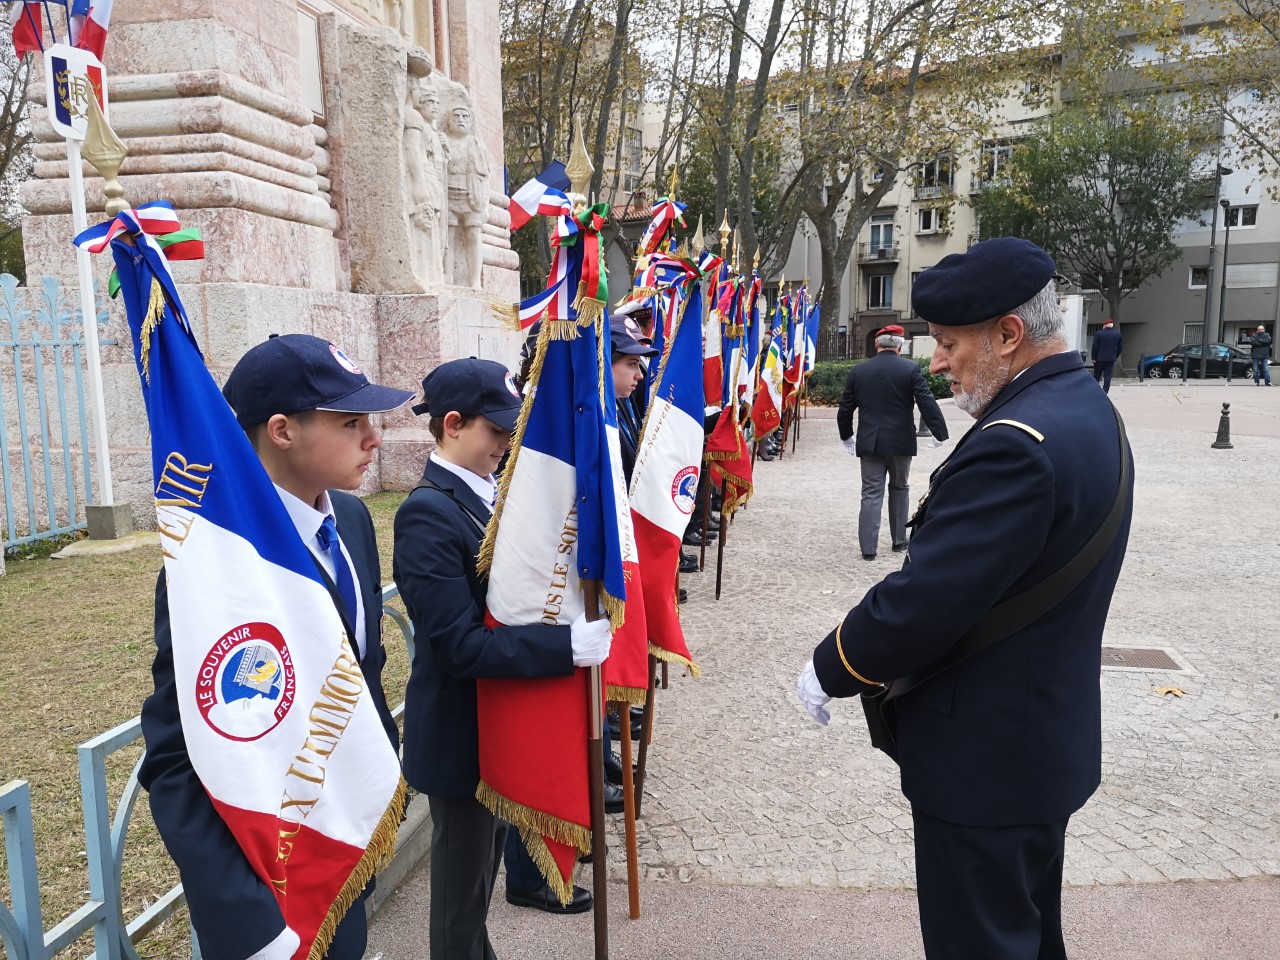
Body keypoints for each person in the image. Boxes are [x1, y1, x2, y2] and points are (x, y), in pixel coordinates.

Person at [796, 238, 1133, 960]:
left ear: (1008, 335)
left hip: (988, 761)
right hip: (1039, 742)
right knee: (1028, 938)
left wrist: (831, 664)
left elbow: (928, 599)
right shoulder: (1083, 407)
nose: (938, 361)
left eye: (949, 342)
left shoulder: (1016, 442)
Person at [139, 333, 415, 960]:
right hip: (268, 886)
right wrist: (246, 922)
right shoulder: (216, 569)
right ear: (282, 430)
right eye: (351, 422)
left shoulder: (350, 521)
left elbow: (360, 675)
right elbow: (177, 756)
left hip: (343, 844)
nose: (373, 437)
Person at [393, 357, 611, 956]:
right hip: (462, 736)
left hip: (496, 728)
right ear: (453, 425)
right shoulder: (427, 513)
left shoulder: (489, 495)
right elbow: (460, 645)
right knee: (460, 906)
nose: (506, 444)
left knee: (481, 884)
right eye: (496, 431)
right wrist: (564, 646)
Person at [836, 324, 948, 561]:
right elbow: (925, 401)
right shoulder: (910, 368)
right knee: (900, 488)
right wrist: (939, 431)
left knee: (870, 492)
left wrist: (846, 435)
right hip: (900, 440)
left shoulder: (859, 370)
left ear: (877, 344)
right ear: (900, 345)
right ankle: (899, 541)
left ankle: (868, 548)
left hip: (870, 441)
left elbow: (846, 407)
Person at [1090, 319, 1123, 393]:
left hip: (1099, 359)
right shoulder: (1117, 334)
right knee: (1107, 376)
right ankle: (1105, 392)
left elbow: (1095, 346)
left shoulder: (1098, 334)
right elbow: (1120, 347)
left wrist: (1093, 357)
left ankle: (1095, 391)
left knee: (1097, 375)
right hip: (1111, 359)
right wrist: (1115, 356)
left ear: (1104, 325)